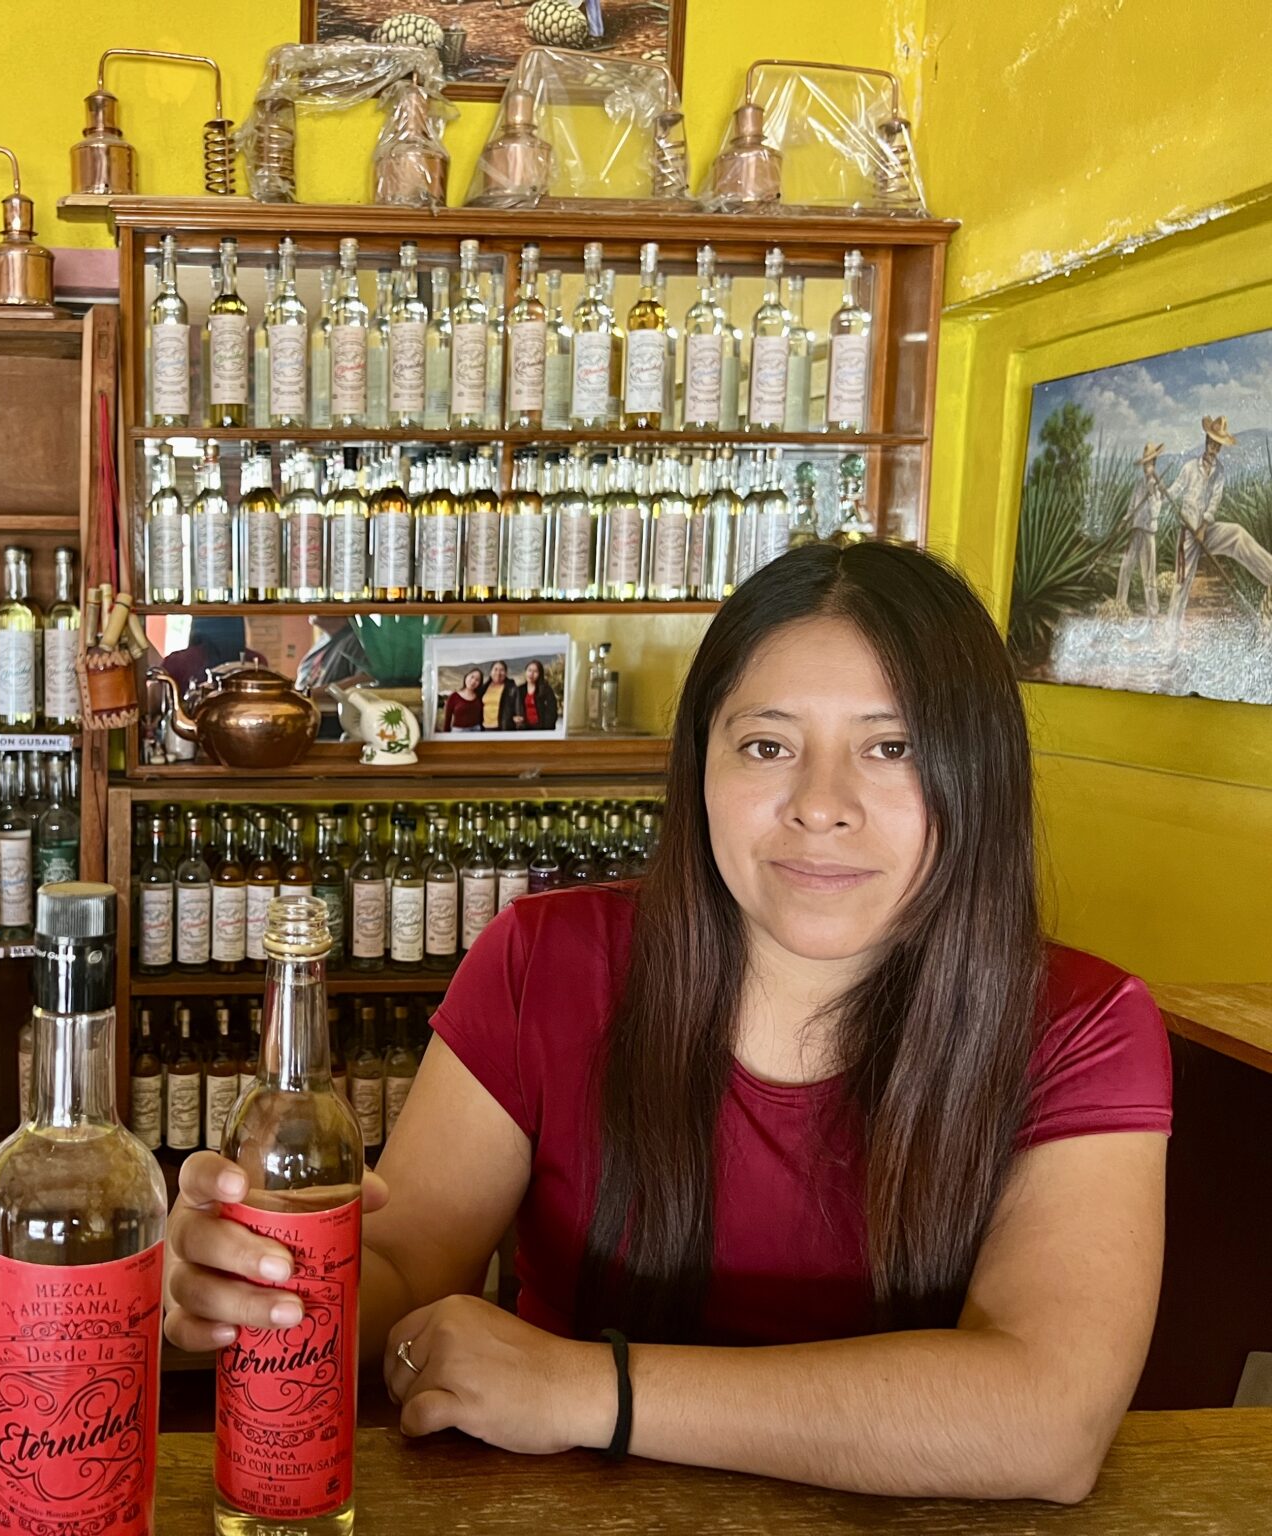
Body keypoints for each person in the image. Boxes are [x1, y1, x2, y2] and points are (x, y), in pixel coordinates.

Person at [165, 541, 1170, 1503]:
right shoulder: (541, 962)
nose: (820, 805)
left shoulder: (1079, 1026)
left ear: (978, 773)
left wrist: (585, 1390)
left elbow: (1045, 1421)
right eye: (766, 745)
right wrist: (266, 1279)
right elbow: (398, 1268)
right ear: (699, 766)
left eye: (891, 747)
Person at [1165, 415, 1272, 629]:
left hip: (1206, 530)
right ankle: (1170, 637)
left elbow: (1214, 503)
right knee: (1181, 584)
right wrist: (1162, 495)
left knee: (1236, 534)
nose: (1214, 447)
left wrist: (1204, 527)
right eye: (1211, 442)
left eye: (1218, 444)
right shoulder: (1189, 468)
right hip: (1188, 534)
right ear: (1206, 441)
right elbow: (1175, 490)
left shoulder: (1219, 472)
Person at [1114, 443, 1162, 620]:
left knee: (1148, 573)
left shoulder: (1157, 486)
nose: (1146, 467)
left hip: (1148, 533)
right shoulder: (1138, 484)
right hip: (1135, 531)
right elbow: (1131, 508)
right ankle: (1120, 606)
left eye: (1149, 463)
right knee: (1125, 566)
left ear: (1154, 464)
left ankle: (1153, 611)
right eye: (1144, 464)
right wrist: (1124, 521)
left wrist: (1151, 494)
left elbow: (1156, 512)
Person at [513, 657, 559, 731]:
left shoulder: (546, 689)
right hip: (523, 729)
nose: (531, 674)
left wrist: (547, 728)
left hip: (542, 728)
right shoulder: (519, 689)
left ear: (540, 674)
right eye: (529, 670)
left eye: (535, 671)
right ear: (525, 672)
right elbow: (512, 708)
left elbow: (552, 711)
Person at [439, 667, 485, 733]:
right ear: (466, 676)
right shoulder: (454, 697)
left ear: (479, 684)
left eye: (477, 680)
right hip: (458, 732)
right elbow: (447, 721)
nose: (473, 681)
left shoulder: (479, 697)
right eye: (472, 677)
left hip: (476, 731)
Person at [480, 660, 517, 731]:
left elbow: (517, 704)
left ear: (506, 673)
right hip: (486, 727)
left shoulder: (511, 688)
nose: (498, 673)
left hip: (503, 726)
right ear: (490, 672)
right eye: (495, 669)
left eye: (502, 670)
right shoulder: (484, 687)